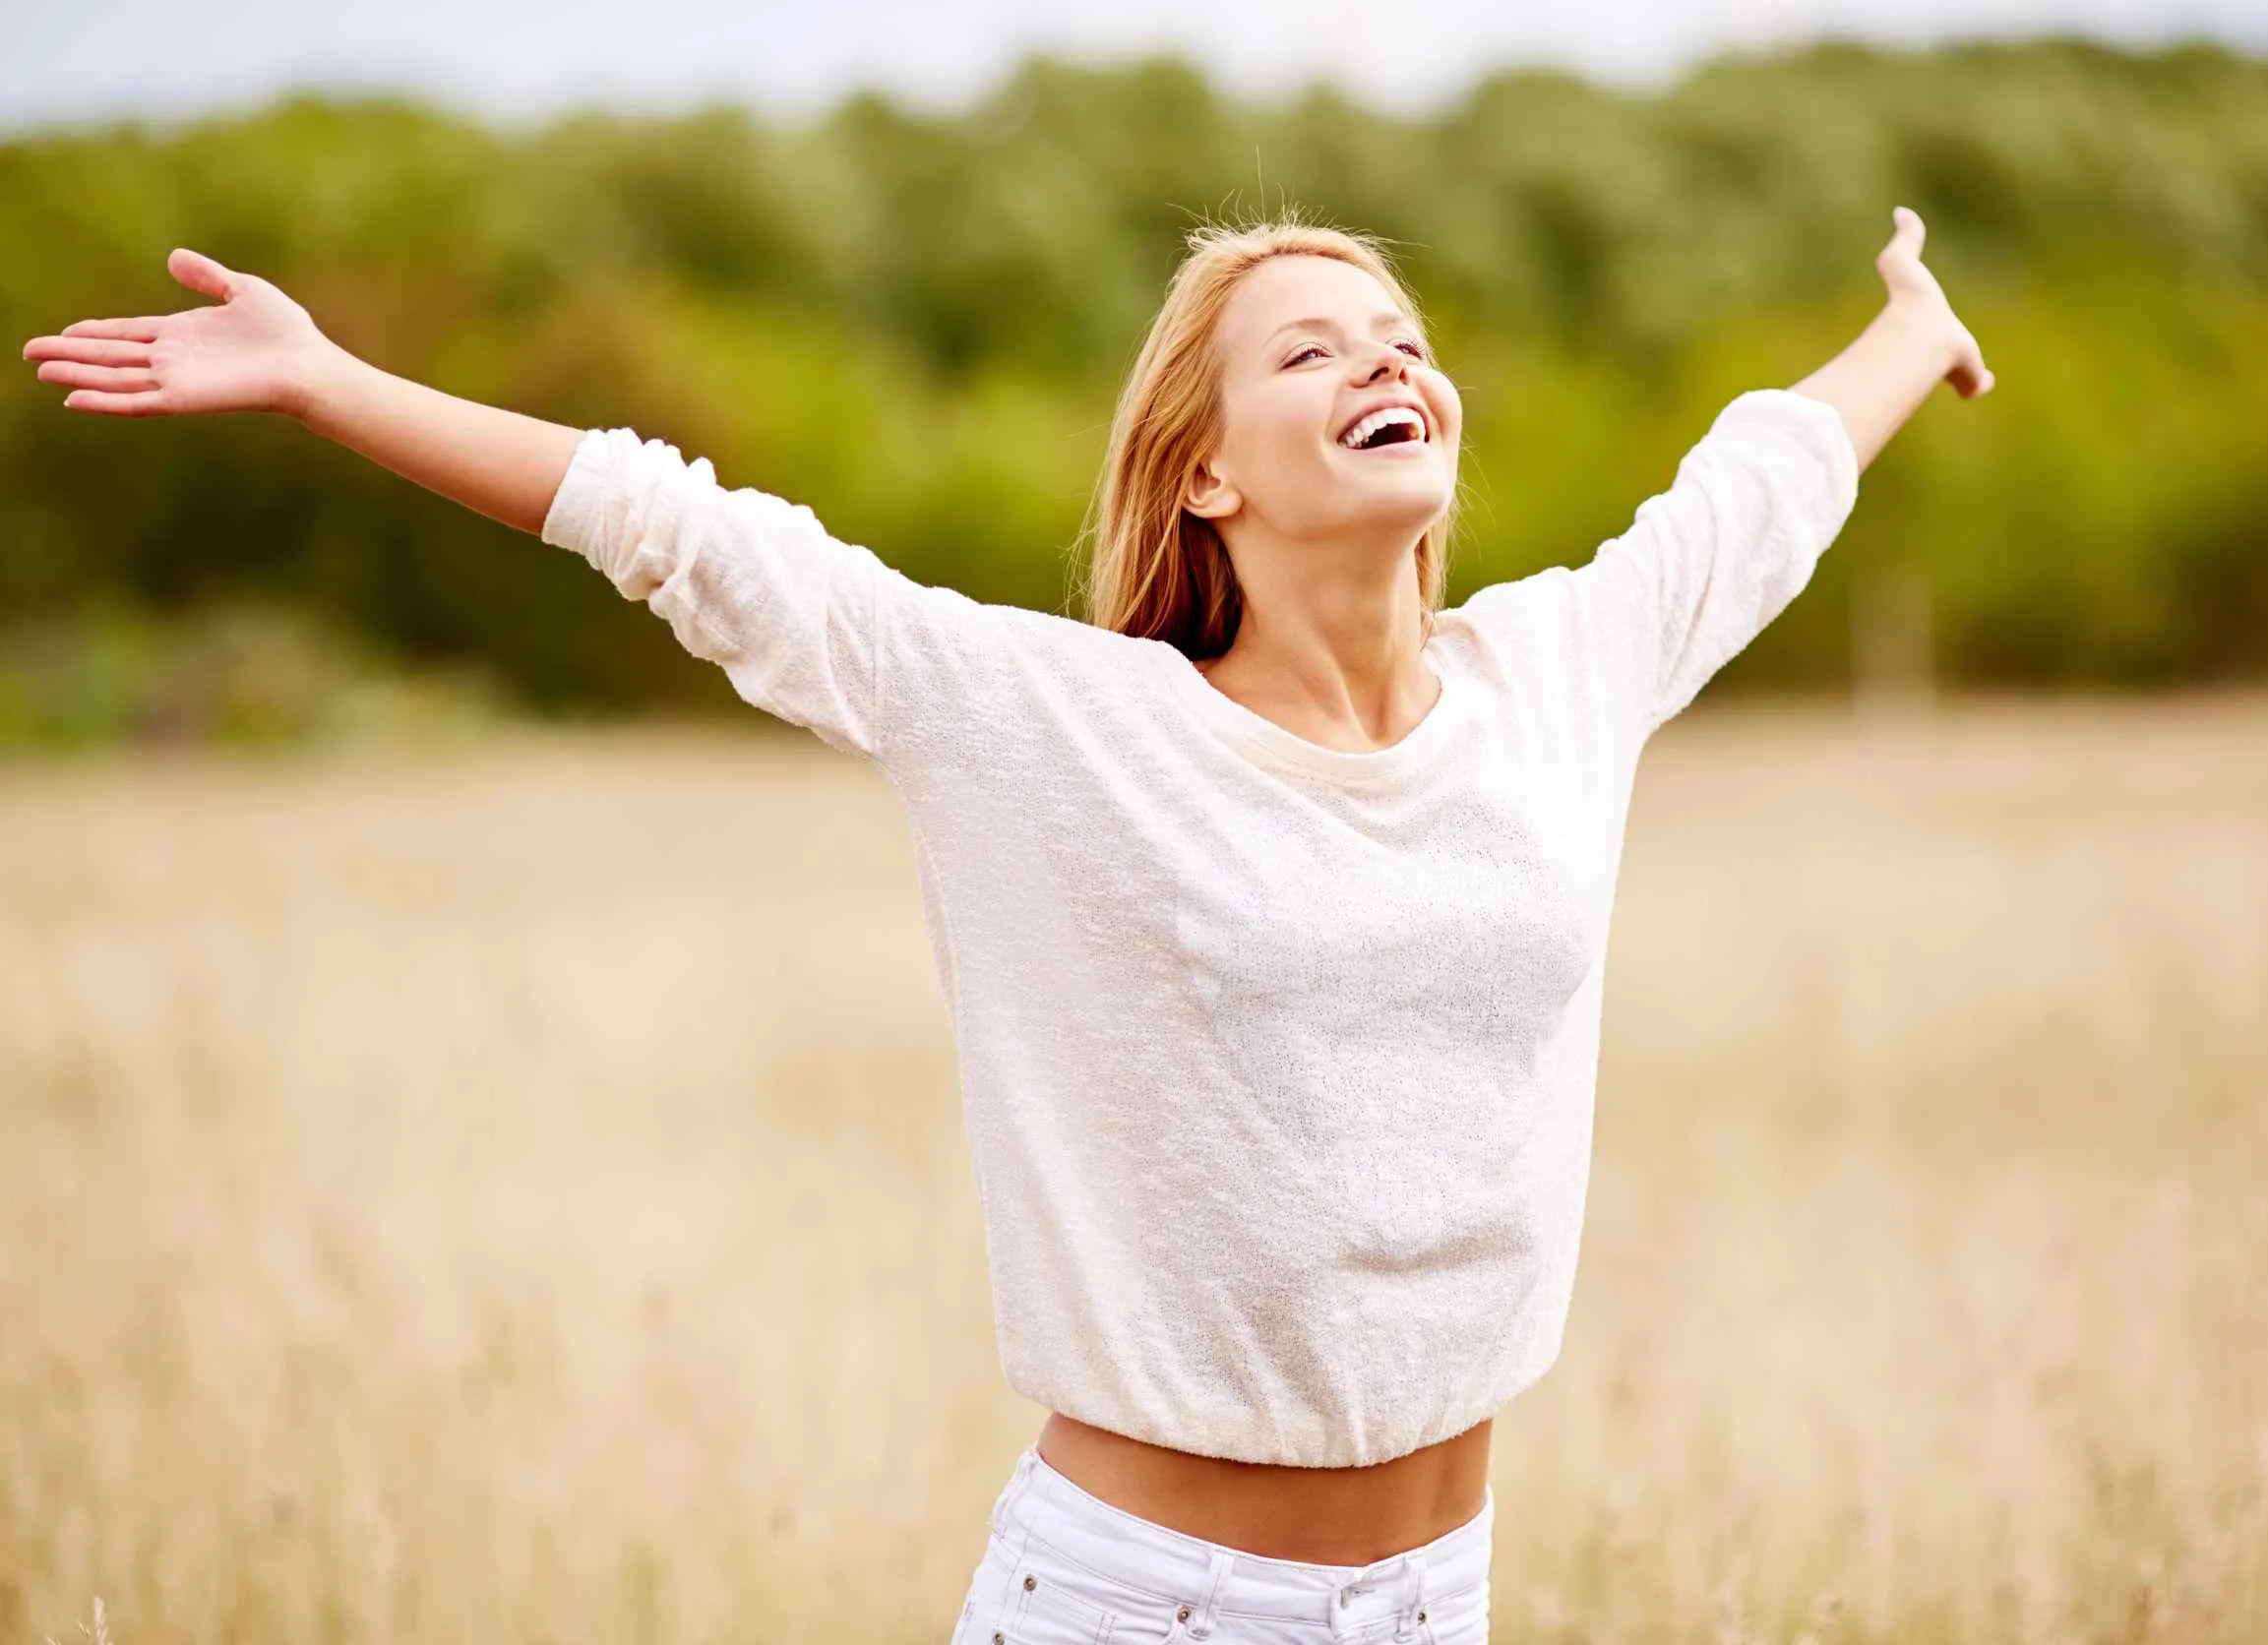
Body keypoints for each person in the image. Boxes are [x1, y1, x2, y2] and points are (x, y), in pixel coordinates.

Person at [22, 206, 1991, 1644]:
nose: (1385, 361)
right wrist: (327, 376)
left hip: (1438, 1594)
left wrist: (1911, 322)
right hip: (1142, 1603)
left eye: (1399, 333)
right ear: (1205, 469)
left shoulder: (1558, 673)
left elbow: (1762, 485)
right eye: (1309, 347)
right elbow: (700, 537)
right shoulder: (1070, 727)